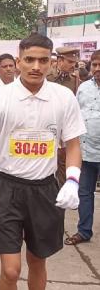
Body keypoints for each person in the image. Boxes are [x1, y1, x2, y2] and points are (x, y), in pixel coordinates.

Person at [0, 33, 86, 290]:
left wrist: (73, 181)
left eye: (43, 60)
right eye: (30, 59)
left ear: (51, 62)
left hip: (44, 190)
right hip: (6, 188)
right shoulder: (0, 97)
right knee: (11, 271)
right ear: (19, 61)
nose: (36, 66)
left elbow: (74, 144)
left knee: (36, 261)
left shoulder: (64, 97)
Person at [65, 50, 100, 246]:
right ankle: (84, 231)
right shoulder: (84, 87)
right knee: (84, 193)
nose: (97, 69)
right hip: (86, 151)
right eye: (94, 65)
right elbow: (76, 115)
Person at [48, 47, 81, 188]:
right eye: (69, 61)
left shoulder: (74, 80)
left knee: (63, 161)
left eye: (74, 62)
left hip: (64, 127)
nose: (73, 65)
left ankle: (61, 194)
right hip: (46, 124)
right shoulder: (47, 77)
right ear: (59, 60)